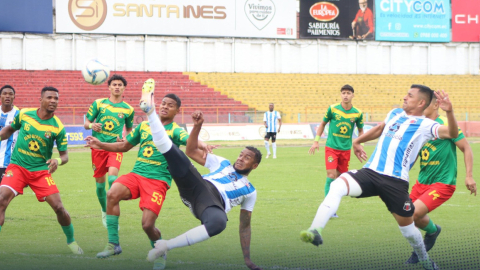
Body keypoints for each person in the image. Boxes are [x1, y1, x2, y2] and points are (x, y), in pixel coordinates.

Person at [301, 85, 460, 270]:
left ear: (421, 102)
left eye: (409, 95)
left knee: (408, 230)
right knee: (337, 185)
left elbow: (452, 134)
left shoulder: (426, 125)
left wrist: (450, 112)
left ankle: (425, 260)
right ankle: (315, 230)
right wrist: (358, 141)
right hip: (370, 172)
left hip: (395, 182)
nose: (404, 97)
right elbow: (380, 129)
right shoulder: (395, 113)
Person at [139, 79, 263, 270]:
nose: (240, 159)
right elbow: (190, 152)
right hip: (198, 186)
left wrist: (247, 259)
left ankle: (165, 245)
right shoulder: (221, 162)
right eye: (240, 154)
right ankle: (151, 113)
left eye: (246, 158)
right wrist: (197, 127)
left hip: (212, 205)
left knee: (220, 223)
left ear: (254, 166)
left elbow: (245, 226)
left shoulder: (250, 191)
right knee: (175, 154)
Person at [86, 93, 213, 270]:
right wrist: (101, 144)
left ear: (177, 110)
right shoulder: (144, 125)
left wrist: (203, 144)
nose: (165, 107)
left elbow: (189, 140)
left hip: (158, 181)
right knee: (112, 193)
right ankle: (113, 244)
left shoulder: (175, 130)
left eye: (170, 105)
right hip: (137, 174)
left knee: (147, 225)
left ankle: (161, 250)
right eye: (163, 103)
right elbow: (124, 146)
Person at [0, 87, 83, 254]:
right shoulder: (24, 114)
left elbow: (65, 155)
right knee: (1, 199)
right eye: (50, 97)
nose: (53, 101)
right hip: (17, 167)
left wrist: (57, 160)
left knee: (59, 207)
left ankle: (71, 241)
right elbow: (9, 130)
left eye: (56, 98)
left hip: (40, 172)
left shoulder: (58, 127)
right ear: (41, 99)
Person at [405, 94, 477, 264]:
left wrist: (469, 176)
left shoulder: (446, 124)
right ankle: (432, 231)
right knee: (406, 218)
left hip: (443, 183)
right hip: (421, 182)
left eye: (426, 104)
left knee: (413, 213)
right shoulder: (420, 125)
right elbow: (413, 154)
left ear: (436, 105)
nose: (422, 108)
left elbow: (466, 148)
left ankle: (420, 254)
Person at [84, 74, 135, 228]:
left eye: (120, 85)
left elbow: (130, 130)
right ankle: (104, 211)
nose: (117, 87)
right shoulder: (99, 104)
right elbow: (86, 122)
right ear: (109, 87)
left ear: (124, 88)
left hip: (115, 148)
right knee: (100, 185)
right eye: (114, 84)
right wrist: (92, 126)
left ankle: (112, 212)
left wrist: (125, 139)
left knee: (113, 179)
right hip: (98, 147)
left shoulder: (128, 109)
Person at [309, 85, 364, 218]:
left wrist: (358, 145)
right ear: (340, 95)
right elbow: (322, 124)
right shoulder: (332, 109)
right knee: (331, 175)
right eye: (343, 93)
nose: (346, 95)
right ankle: (329, 208)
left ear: (353, 95)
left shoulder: (357, 113)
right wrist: (316, 141)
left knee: (339, 179)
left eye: (348, 93)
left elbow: (361, 130)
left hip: (345, 150)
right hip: (331, 148)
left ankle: (332, 205)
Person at [0, 85, 20, 184]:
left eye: (10, 94)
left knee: (3, 196)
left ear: (14, 97)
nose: (7, 96)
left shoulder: (20, 116)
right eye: (4, 94)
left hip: (8, 163)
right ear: (0, 96)